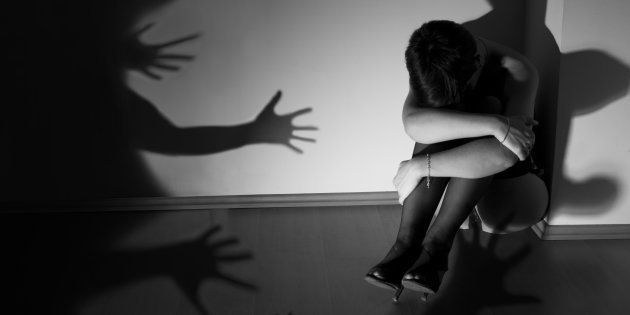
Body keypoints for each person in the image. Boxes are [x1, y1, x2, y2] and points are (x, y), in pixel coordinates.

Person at [365, 20, 538, 301]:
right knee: (437, 126)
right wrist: (497, 125)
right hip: (459, 196)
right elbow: (414, 125)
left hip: (512, 196)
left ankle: (437, 245)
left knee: (487, 105)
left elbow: (508, 153)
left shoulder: (517, 71)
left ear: (478, 63)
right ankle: (407, 246)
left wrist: (420, 166)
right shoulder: (430, 57)